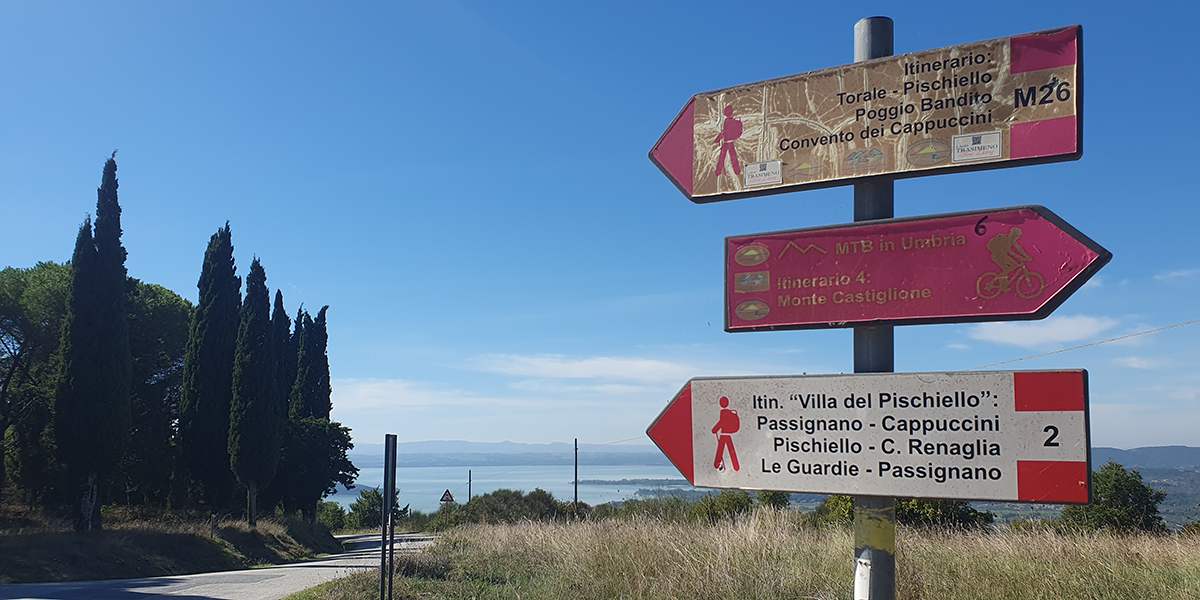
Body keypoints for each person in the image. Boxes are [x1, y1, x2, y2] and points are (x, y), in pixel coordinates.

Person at [711, 396, 740, 471]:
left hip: (723, 434)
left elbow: (721, 423)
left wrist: (714, 429)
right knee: (731, 450)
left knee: (720, 450)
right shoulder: (730, 412)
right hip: (728, 434)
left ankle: (716, 465)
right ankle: (736, 467)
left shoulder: (724, 412)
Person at [714, 105, 743, 178]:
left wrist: (718, 139)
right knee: (733, 156)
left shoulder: (727, 121)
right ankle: (737, 171)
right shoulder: (734, 120)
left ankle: (718, 172)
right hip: (731, 142)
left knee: (722, 157)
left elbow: (725, 131)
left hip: (726, 142)